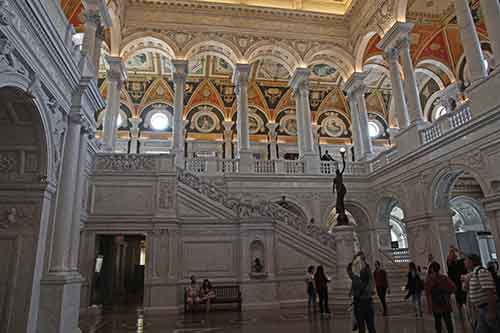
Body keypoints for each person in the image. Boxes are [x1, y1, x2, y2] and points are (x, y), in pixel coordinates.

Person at [464, 253, 499, 332]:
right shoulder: (473, 273)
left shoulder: (481, 272)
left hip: (488, 307)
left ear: (472, 262)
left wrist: (492, 311)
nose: (464, 262)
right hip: (482, 309)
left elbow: (489, 292)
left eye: (466, 260)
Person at [425, 261, 456, 333]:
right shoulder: (444, 278)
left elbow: (428, 295)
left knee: (438, 324)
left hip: (436, 305)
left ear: (431, 269)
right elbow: (453, 288)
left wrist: (429, 308)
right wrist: (447, 293)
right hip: (446, 303)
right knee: (448, 323)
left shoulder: (428, 280)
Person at [348, 261, 376, 333]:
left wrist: (353, 260)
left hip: (359, 306)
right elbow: (369, 271)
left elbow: (349, 271)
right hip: (369, 305)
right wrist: (364, 260)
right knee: (371, 327)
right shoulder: (370, 282)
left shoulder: (356, 280)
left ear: (361, 274)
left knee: (361, 328)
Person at [447, 247, 468, 315]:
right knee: (459, 301)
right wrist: (451, 251)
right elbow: (449, 260)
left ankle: (467, 313)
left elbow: (466, 257)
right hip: (456, 285)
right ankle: (461, 314)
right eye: (452, 255)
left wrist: (457, 250)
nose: (453, 256)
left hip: (463, 284)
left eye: (454, 255)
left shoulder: (461, 262)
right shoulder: (451, 265)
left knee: (466, 300)